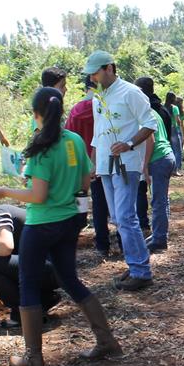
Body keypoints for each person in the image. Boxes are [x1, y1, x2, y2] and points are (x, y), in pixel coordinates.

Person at [0, 86, 121, 366]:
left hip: (42, 223)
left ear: (37, 115)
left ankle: (33, 357)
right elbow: (86, 179)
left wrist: (4, 192)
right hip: (68, 221)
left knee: (28, 284)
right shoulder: (73, 140)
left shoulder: (40, 149)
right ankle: (107, 340)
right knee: (69, 279)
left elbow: (37, 196)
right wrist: (73, 203)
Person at [83, 50, 158, 292]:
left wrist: (129, 143)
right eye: (91, 74)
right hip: (105, 165)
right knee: (117, 217)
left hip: (126, 164)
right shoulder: (98, 98)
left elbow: (150, 124)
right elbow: (97, 135)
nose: (93, 78)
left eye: (96, 72)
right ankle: (136, 263)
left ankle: (141, 271)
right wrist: (94, 164)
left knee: (126, 217)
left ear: (109, 68)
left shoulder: (131, 92)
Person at [0, 197, 61, 326]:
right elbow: (3, 272)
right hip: (53, 270)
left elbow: (5, 248)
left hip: (50, 270)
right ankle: (43, 299)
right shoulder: (5, 219)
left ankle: (23, 314)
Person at [66, 76, 113, 256]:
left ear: (86, 87)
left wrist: (74, 165)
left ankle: (79, 233)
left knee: (81, 199)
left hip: (83, 163)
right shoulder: (107, 107)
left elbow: (69, 141)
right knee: (105, 202)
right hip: (107, 159)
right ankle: (106, 242)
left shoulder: (77, 110)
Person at [134, 76, 174, 247]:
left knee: (158, 201)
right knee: (161, 199)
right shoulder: (155, 112)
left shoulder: (145, 113)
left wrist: (145, 166)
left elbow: (151, 140)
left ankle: (159, 239)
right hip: (166, 157)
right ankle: (160, 234)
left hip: (158, 159)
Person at [165, 92, 184, 175]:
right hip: (174, 129)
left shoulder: (163, 107)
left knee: (169, 150)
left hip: (166, 129)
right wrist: (181, 130)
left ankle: (169, 168)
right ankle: (175, 169)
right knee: (178, 150)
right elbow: (178, 120)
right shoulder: (174, 107)